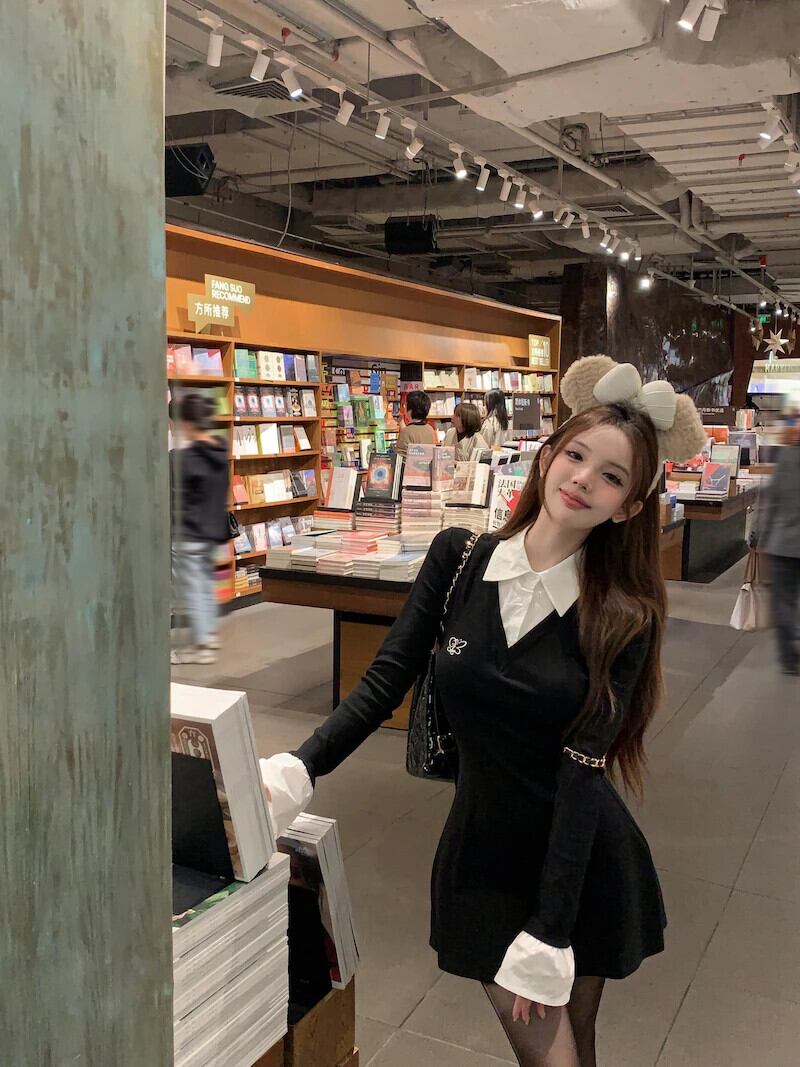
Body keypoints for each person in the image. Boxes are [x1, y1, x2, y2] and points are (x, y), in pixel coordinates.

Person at [260, 355, 706, 1067]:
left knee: (568, 1054)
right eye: (576, 454)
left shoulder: (622, 615)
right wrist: (301, 765)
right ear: (549, 454)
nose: (582, 478)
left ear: (627, 506)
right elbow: (386, 678)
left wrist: (552, 927)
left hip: (578, 859)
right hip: (483, 857)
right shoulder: (460, 557)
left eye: (611, 476)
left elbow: (584, 770)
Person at [169, 392, 231, 665]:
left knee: (193, 590)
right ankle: (209, 635)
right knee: (205, 586)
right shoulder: (219, 451)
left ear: (187, 423)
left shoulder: (186, 458)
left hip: (189, 533)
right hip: (212, 532)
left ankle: (201, 646)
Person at [754, 422, 800, 674]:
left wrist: (761, 539)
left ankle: (788, 659)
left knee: (783, 600)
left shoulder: (785, 460)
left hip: (782, 544)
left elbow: (771, 503)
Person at [396, 390, 437, 456]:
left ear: (410, 411)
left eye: (405, 405)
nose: (404, 407)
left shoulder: (406, 432)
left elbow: (401, 457)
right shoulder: (430, 429)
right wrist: (401, 422)